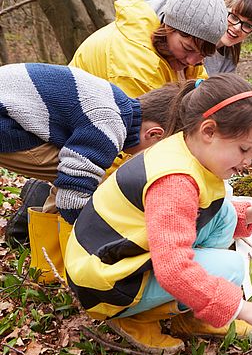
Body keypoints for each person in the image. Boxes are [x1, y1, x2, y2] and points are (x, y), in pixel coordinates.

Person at [64, 73, 252, 355]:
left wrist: (245, 216)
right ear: (209, 131)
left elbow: (199, 212)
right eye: (244, 149)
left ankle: (188, 309)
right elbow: (173, 268)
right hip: (107, 283)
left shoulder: (186, 147)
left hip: (117, 255)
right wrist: (241, 307)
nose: (248, 161)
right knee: (232, 267)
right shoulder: (175, 181)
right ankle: (137, 317)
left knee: (226, 212)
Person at [0, 63, 179, 282]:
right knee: (83, 184)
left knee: (77, 174)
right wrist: (102, 234)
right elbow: (72, 199)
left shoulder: (119, 104)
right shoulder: (109, 124)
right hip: (6, 122)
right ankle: (73, 272)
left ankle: (48, 268)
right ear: (154, 134)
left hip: (11, 111)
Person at [70, 0, 228, 98]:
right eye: (187, 48)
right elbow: (141, 133)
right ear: (168, 27)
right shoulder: (134, 62)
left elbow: (199, 89)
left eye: (202, 55)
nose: (193, 61)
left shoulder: (179, 52)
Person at [204, 0, 252, 76]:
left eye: (247, 25)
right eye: (234, 17)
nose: (237, 28)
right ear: (221, 11)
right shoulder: (193, 42)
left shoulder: (229, 60)